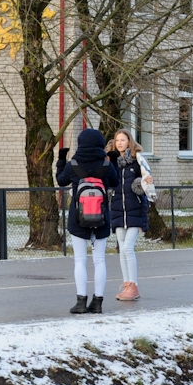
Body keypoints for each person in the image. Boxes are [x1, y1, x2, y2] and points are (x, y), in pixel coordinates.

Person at [56, 128, 120, 314]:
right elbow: (115, 182)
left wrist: (61, 160)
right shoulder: (106, 165)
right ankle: (97, 301)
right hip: (101, 217)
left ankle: (80, 301)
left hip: (78, 218)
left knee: (80, 261)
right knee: (99, 260)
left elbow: (61, 181)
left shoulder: (74, 164)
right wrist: (113, 159)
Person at [106, 129, 153, 302]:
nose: (119, 143)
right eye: (117, 140)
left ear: (129, 141)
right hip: (118, 211)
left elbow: (145, 183)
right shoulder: (112, 163)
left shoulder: (136, 161)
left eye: (123, 140)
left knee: (128, 248)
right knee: (121, 250)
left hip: (135, 210)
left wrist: (145, 182)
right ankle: (127, 284)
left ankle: (134, 285)